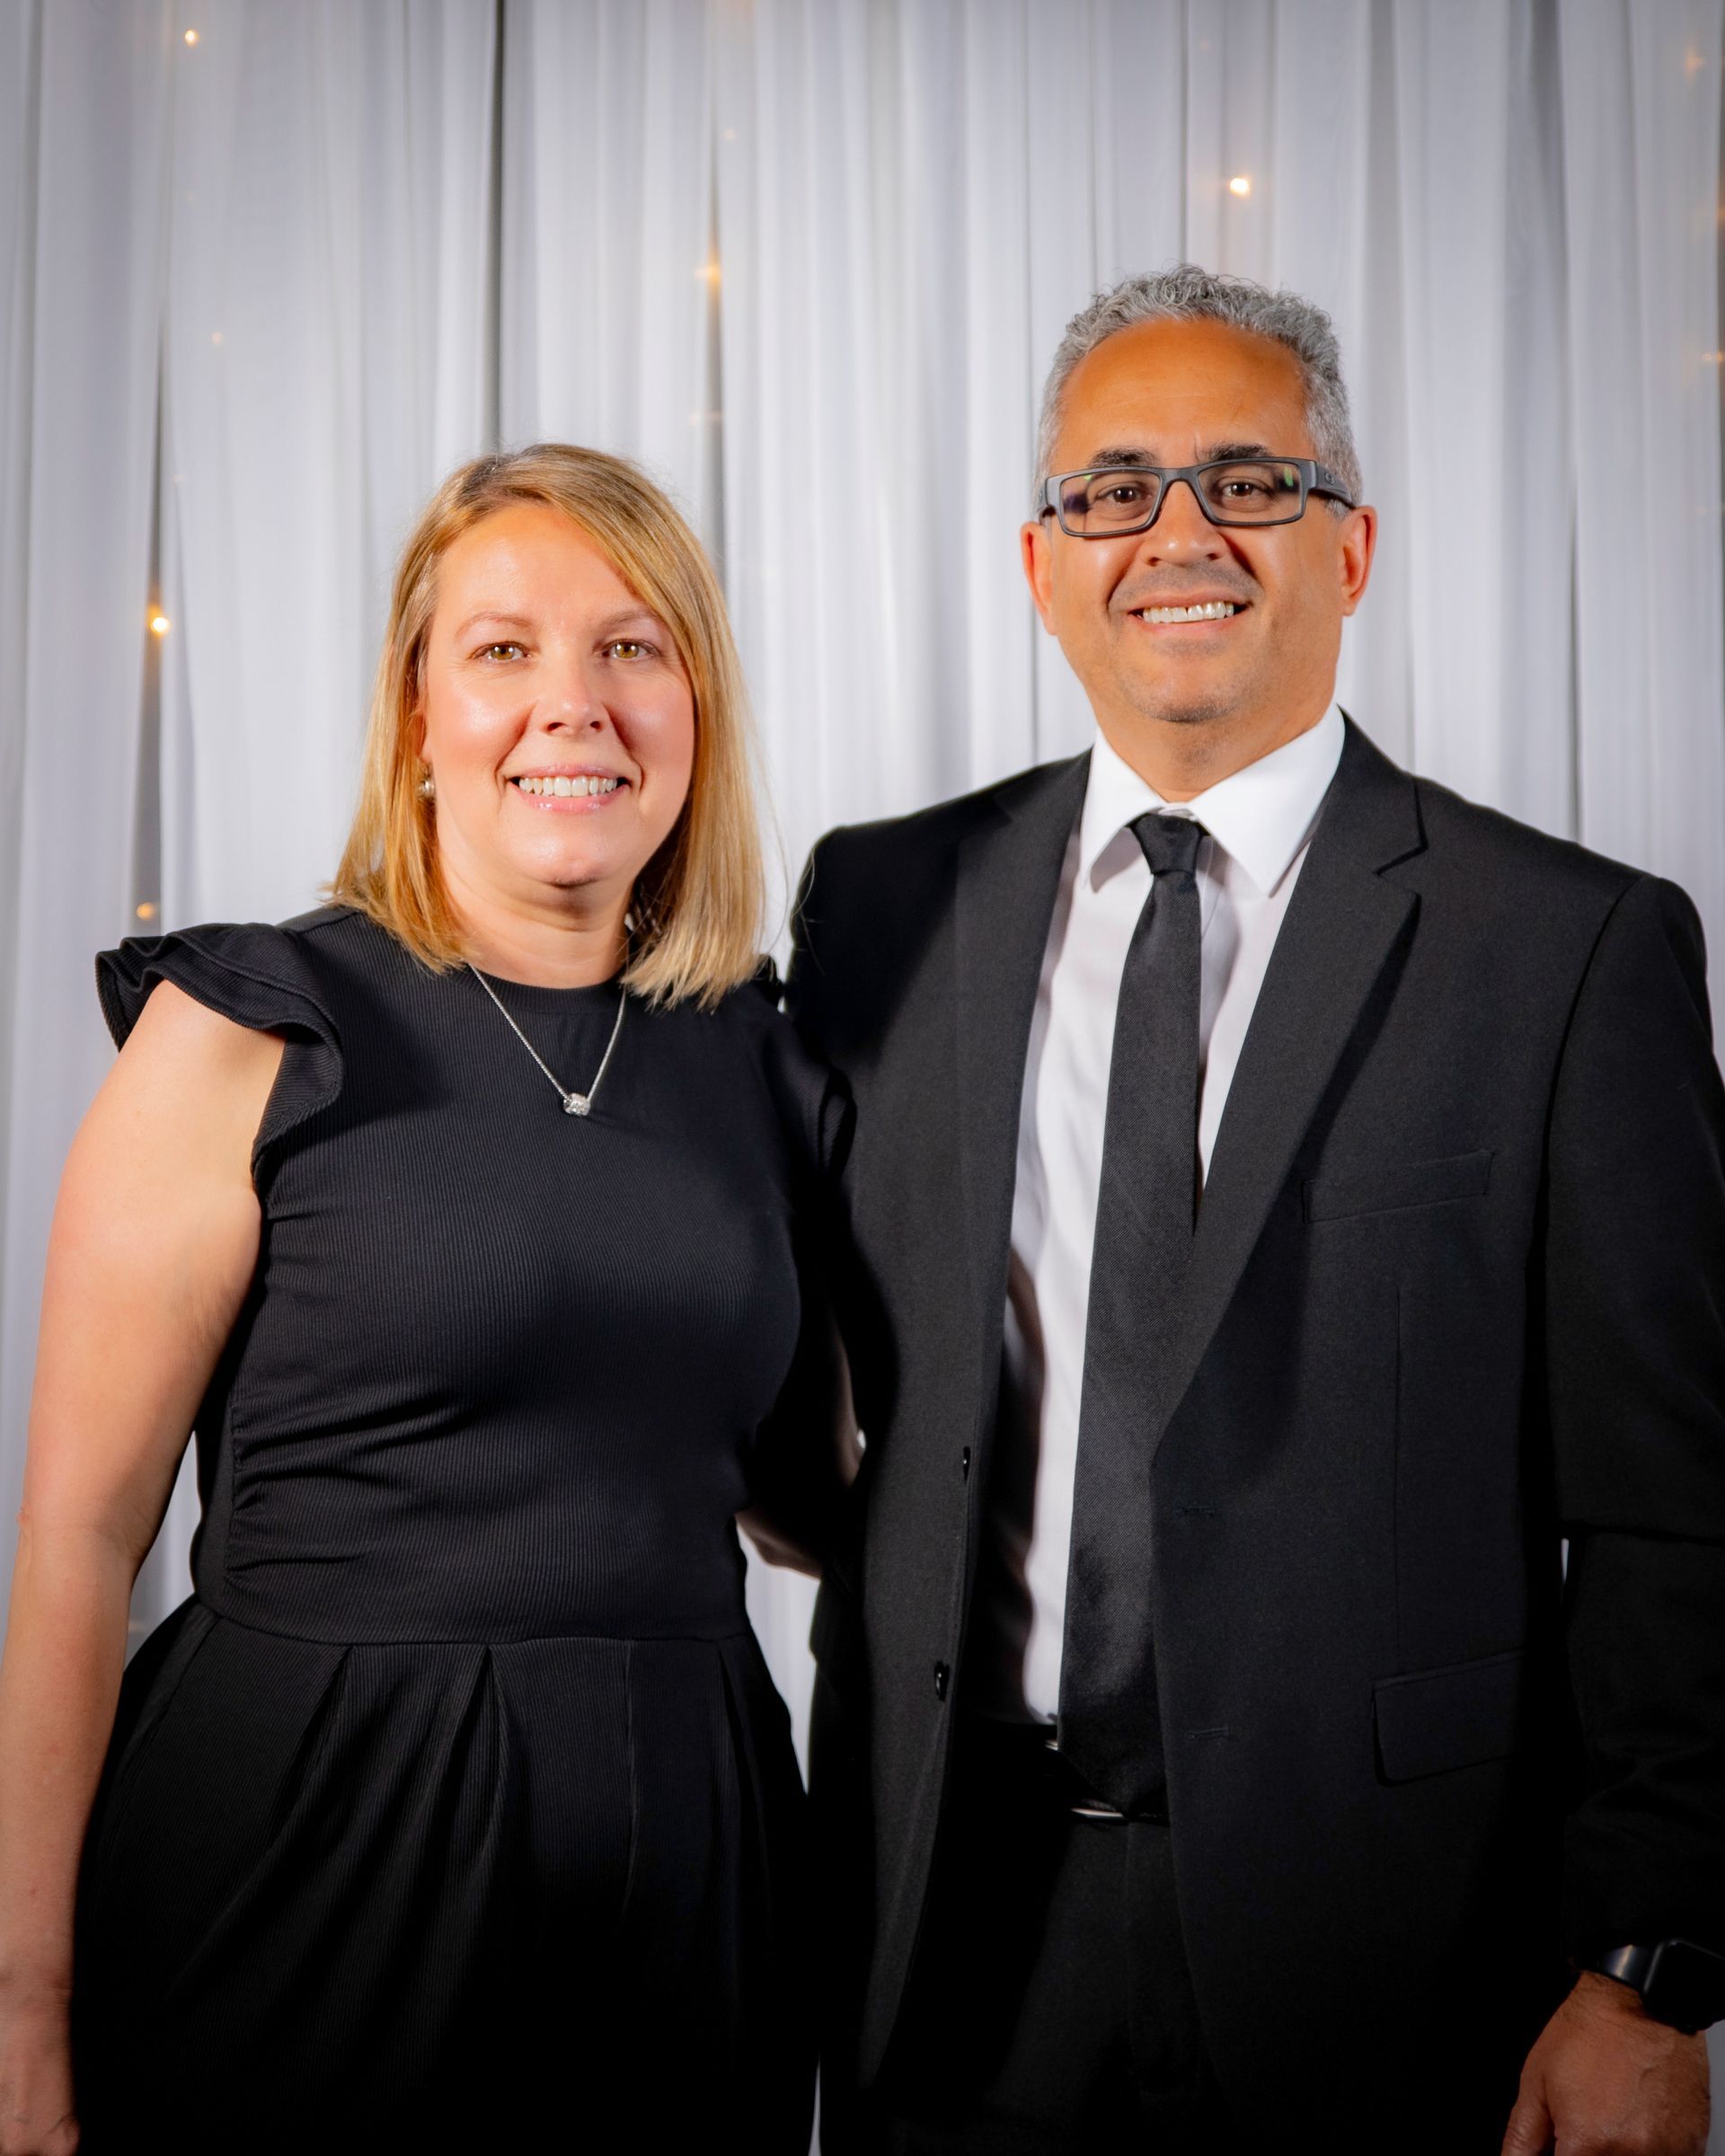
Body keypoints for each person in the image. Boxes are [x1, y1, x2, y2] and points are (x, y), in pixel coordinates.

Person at [788, 266, 1725, 2153]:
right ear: (1041, 563)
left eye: (1251, 481)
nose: (1180, 535)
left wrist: (1647, 1968)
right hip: (938, 1919)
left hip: (1393, 1941)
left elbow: (1676, 1512)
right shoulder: (882, 910)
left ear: (1353, 546)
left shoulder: (1569, 948)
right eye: (1112, 490)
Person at [0, 444, 845, 2153]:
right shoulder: (255, 1024)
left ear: (696, 700)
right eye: (504, 650)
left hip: (691, 1857)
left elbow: (803, 1497)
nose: (575, 705)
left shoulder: (764, 1054)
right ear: (416, 713)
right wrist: (24, 2007)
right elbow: (82, 1540)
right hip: (314, 1843)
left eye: (632, 646)